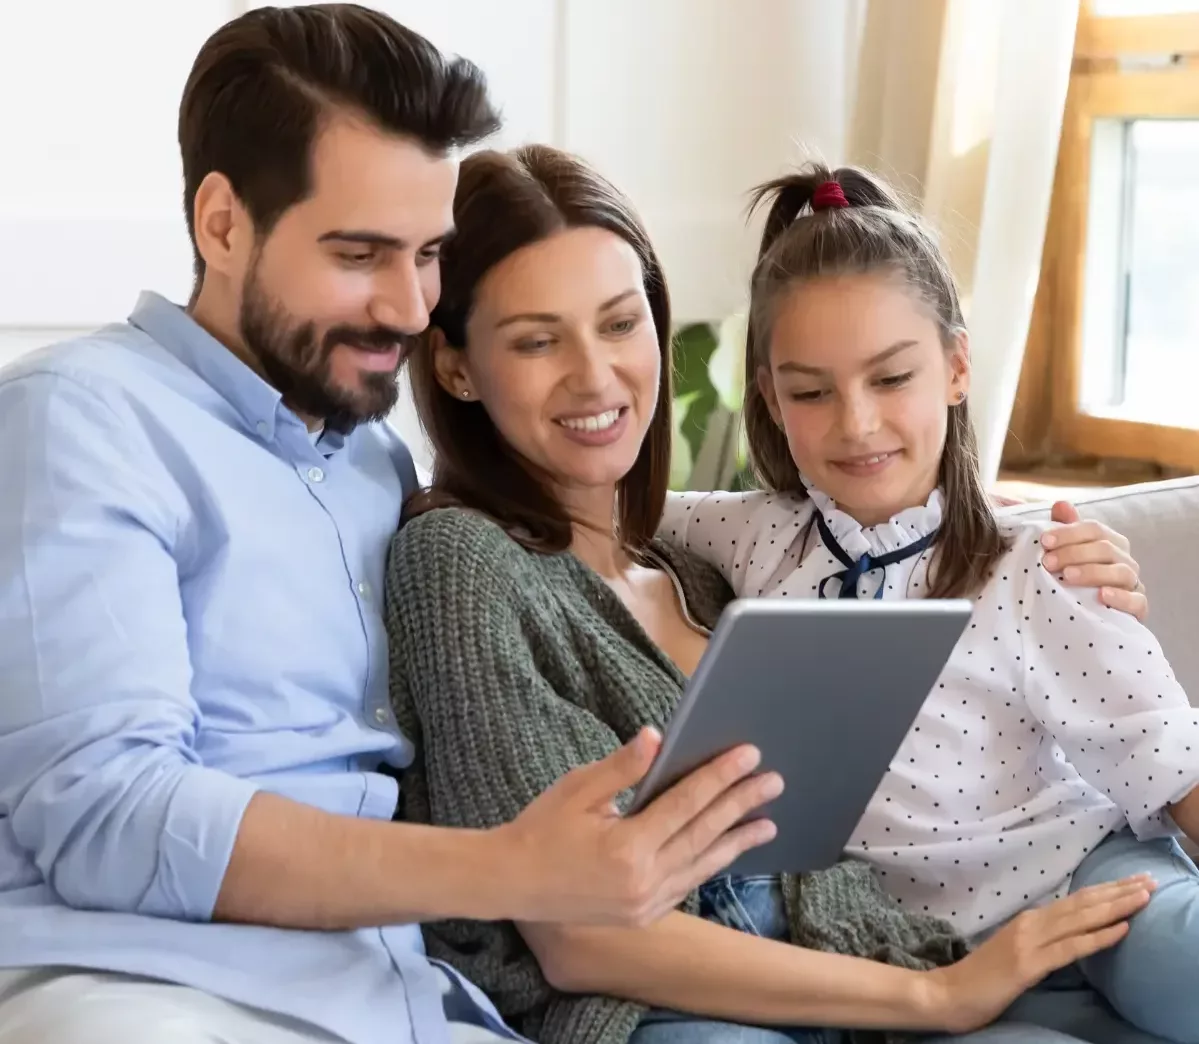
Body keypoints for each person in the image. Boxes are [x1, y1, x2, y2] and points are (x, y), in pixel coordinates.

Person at [0, 9, 794, 1044]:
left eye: (426, 255)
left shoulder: (372, 464)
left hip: (403, 996)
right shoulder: (82, 418)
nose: (411, 307)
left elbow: (587, 529)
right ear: (222, 224)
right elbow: (107, 815)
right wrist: (511, 866)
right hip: (151, 988)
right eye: (360, 253)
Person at [384, 143, 1155, 1044]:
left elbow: (892, 518)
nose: (596, 377)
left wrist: (1056, 545)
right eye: (536, 340)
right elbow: (575, 935)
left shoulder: (707, 570)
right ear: (455, 367)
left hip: (856, 976)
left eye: (620, 324)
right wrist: (939, 999)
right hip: (655, 1012)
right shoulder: (457, 563)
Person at [661, 164, 1199, 1044]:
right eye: (809, 392)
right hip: (926, 961)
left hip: (1085, 891)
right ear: (768, 398)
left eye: (889, 379)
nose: (856, 424)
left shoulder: (1040, 565)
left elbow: (1172, 764)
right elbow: (604, 503)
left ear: (954, 367)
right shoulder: (750, 538)